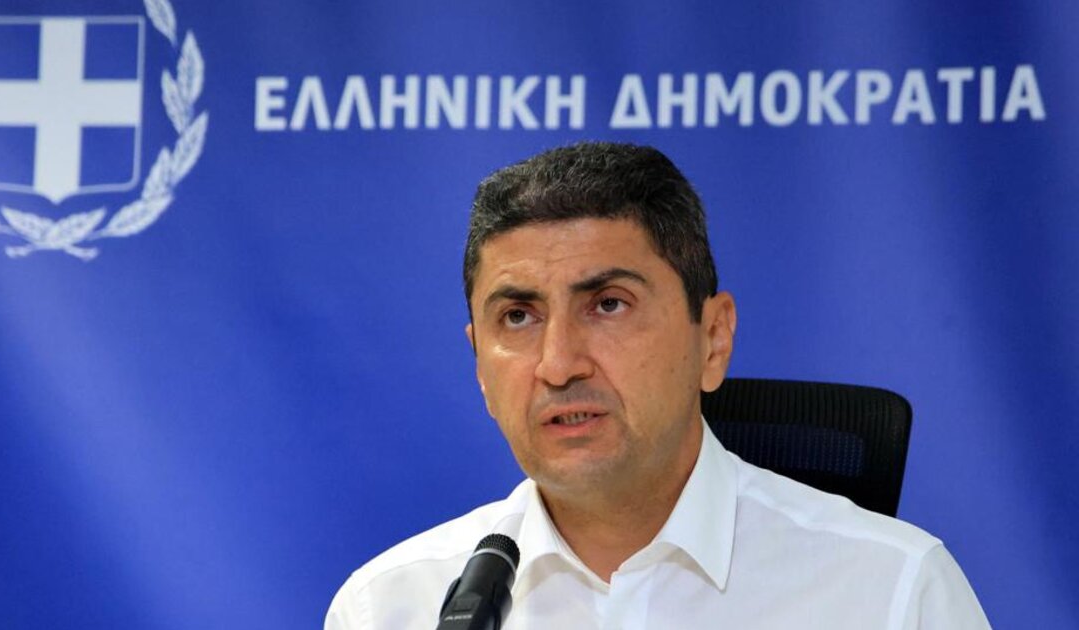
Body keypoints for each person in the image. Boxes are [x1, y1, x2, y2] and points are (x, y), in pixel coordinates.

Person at [325, 142, 989, 629]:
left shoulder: (891, 590)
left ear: (713, 338)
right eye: (519, 317)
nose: (558, 364)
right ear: (479, 365)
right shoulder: (391, 607)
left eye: (608, 304)